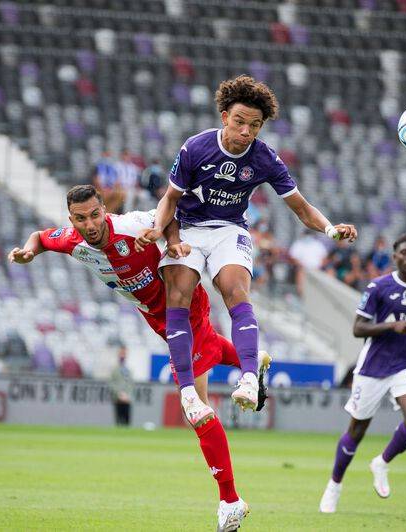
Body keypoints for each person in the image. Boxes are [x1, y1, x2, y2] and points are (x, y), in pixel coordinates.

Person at [8, 185, 269, 530]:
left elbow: (170, 212)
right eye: (81, 219)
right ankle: (251, 362)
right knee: (208, 349)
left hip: (183, 306)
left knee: (196, 410)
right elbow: (41, 238)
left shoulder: (131, 224)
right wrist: (28, 251)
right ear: (71, 219)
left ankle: (230, 500)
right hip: (156, 317)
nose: (90, 224)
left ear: (104, 210)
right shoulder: (72, 241)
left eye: (95, 215)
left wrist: (171, 241)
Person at [136, 75, 356, 422]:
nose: (246, 131)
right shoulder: (196, 147)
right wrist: (158, 229)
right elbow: (170, 198)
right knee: (178, 296)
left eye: (254, 125)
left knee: (236, 291)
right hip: (189, 228)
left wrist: (331, 229)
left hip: (229, 230)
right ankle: (189, 394)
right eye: (239, 121)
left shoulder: (265, 158)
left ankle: (250, 379)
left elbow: (301, 207)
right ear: (224, 116)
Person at [320, 234, 406, 513]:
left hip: (404, 365)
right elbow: (358, 328)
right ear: (395, 257)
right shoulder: (378, 287)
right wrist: (390, 327)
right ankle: (334, 485)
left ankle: (381, 462)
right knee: (357, 430)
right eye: (404, 252)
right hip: (372, 367)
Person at [288, 230, 329, 295]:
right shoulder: (298, 244)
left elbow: (324, 259)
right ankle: (301, 294)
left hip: (317, 269)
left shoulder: (318, 245)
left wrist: (319, 267)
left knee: (327, 273)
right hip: (303, 268)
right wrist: (301, 265)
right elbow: (293, 258)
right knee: (300, 273)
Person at [109, 345, 134, 426]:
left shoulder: (129, 369)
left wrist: (127, 395)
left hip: (127, 399)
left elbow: (130, 384)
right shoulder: (114, 369)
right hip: (117, 398)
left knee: (127, 421)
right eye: (121, 353)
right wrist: (119, 394)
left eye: (124, 353)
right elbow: (112, 383)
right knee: (118, 421)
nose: (123, 355)